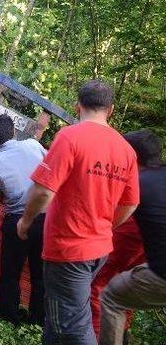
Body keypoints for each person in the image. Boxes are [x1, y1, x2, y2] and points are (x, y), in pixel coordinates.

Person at [16, 79, 140, 344]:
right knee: (58, 314)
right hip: (99, 249)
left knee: (72, 327)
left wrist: (25, 221)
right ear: (111, 110)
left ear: (77, 105)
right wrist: (106, 226)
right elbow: (130, 203)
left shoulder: (71, 136)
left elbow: (43, 191)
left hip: (69, 248)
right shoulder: (126, 151)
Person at [99, 130, 166, 345]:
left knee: (109, 294)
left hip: (157, 270)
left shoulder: (138, 185)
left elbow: (112, 231)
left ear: (132, 156)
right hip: (149, 260)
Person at [0, 114, 47, 325]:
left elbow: (0, 197)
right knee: (41, 274)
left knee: (10, 272)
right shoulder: (33, 146)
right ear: (14, 131)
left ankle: (9, 317)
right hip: (47, 219)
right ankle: (38, 321)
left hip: (16, 220)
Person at [89, 217, 144, 341]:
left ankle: (98, 337)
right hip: (149, 219)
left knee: (101, 282)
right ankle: (119, 334)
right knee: (125, 284)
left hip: (132, 222)